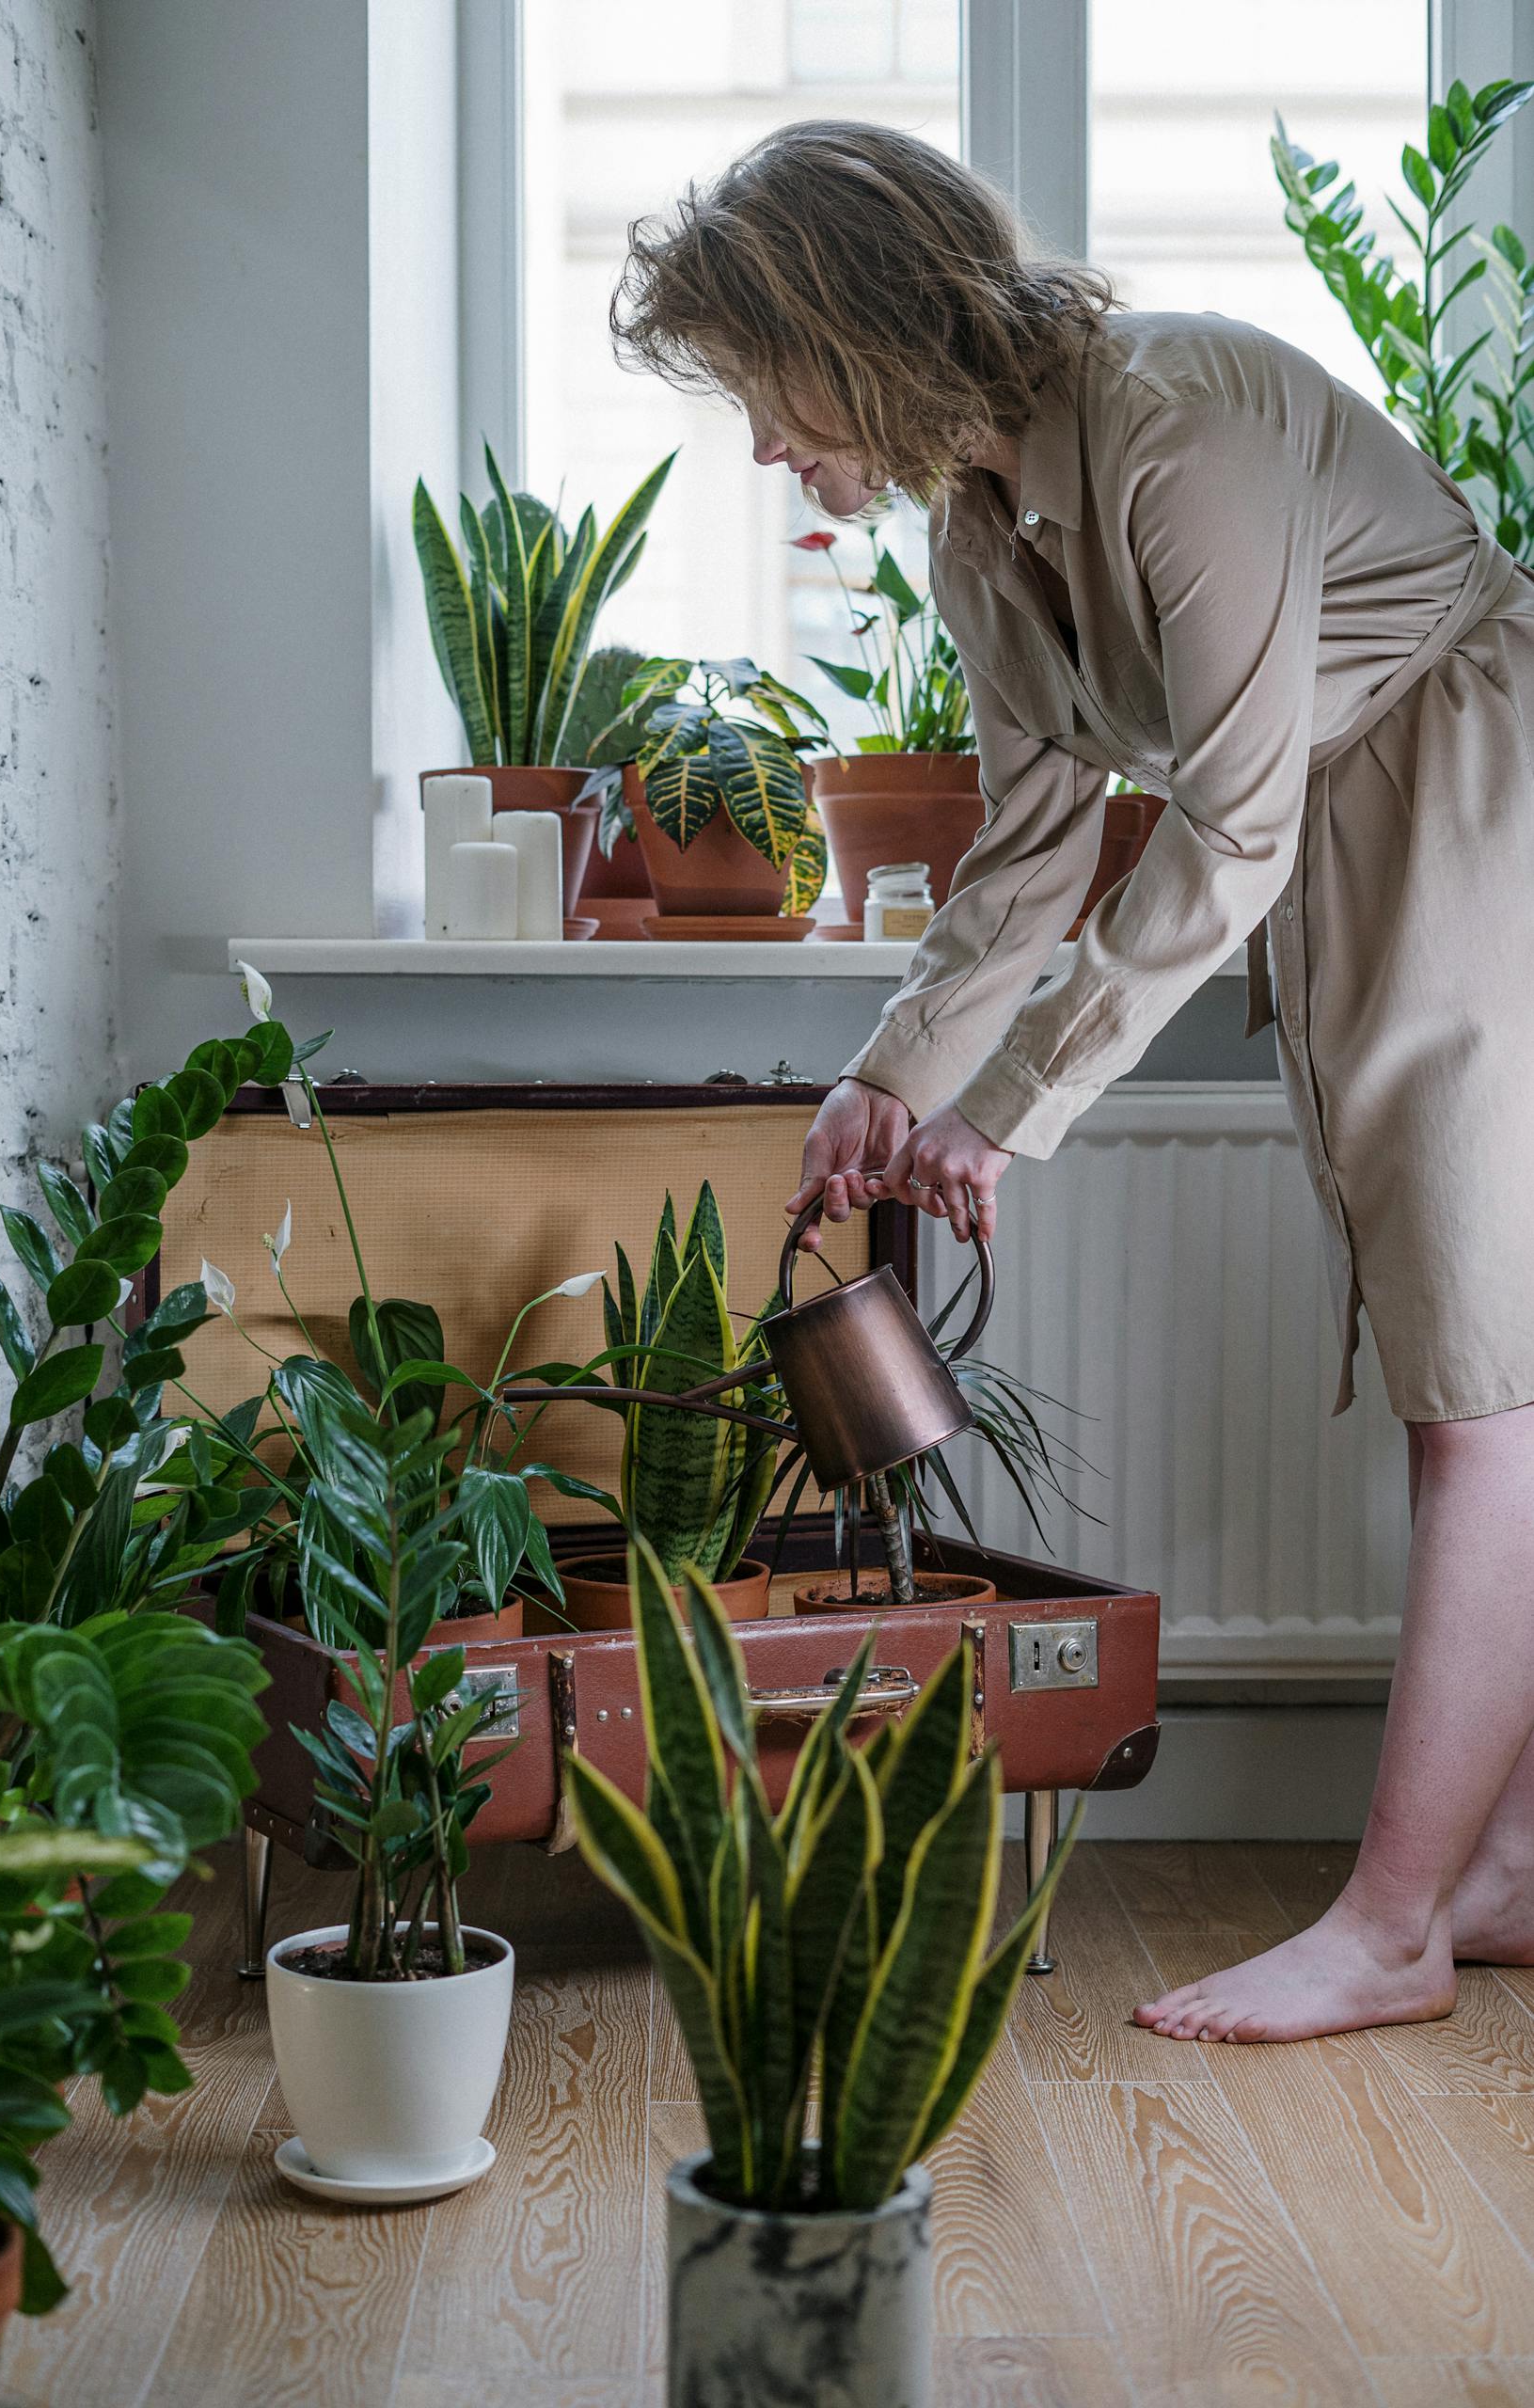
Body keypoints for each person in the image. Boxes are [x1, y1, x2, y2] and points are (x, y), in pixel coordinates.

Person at [609, 118, 1534, 2045]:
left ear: (849, 325)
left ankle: (1385, 1924)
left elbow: (1225, 821)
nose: (766, 449)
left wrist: (1003, 1112)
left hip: (1464, 785)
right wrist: (889, 1083)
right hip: (1348, 828)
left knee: (1480, 1386)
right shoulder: (973, 524)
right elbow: (1030, 850)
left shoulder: (1173, 426)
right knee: (1491, 1373)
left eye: (764, 394)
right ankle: (1504, 1866)